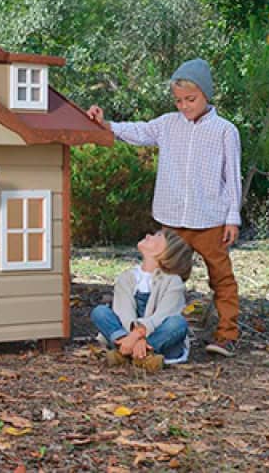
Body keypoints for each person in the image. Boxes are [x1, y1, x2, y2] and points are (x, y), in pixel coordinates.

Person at [86, 58, 242, 357]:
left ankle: (226, 335)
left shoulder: (225, 131)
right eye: (178, 100)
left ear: (206, 94)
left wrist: (232, 218)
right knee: (164, 280)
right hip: (171, 221)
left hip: (210, 219)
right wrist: (106, 125)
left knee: (221, 278)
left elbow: (232, 177)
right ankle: (149, 334)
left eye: (190, 99)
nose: (184, 106)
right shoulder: (167, 124)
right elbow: (138, 131)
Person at [91, 229, 194, 372]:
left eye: (157, 236)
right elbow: (123, 312)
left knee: (178, 323)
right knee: (100, 312)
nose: (148, 235)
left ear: (167, 252)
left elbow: (162, 315)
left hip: (160, 339)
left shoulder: (173, 282)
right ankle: (142, 357)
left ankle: (125, 353)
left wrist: (139, 336)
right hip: (128, 334)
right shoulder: (127, 277)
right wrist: (132, 337)